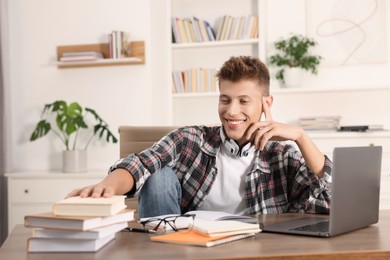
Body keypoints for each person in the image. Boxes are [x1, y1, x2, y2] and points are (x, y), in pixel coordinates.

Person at [67, 56, 333, 218]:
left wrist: (301, 136)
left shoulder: (281, 154)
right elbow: (143, 162)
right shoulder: (191, 139)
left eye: (243, 101)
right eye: (225, 100)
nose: (231, 111)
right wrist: (107, 186)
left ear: (266, 103)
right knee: (158, 173)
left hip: (256, 250)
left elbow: (328, 203)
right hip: (188, 247)